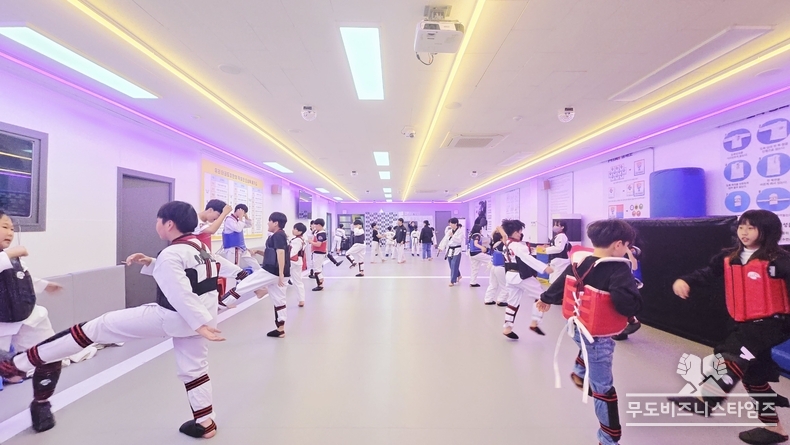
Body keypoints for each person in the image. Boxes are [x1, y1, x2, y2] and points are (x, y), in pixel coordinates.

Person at [0, 201, 247, 438]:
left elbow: (179, 292)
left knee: (96, 327)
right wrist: (152, 263)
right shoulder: (200, 247)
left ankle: (18, 363)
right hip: (199, 320)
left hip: (174, 317)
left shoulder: (171, 253)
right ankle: (205, 422)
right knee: (195, 369)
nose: (156, 224)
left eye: (158, 220)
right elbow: (195, 274)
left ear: (169, 224)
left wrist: (198, 323)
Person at [670, 210, 790, 444]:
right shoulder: (729, 257)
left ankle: (708, 397)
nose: (744, 232)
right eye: (741, 227)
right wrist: (685, 280)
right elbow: (707, 273)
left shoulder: (781, 260)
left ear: (767, 231)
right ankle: (774, 429)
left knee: (733, 353)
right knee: (753, 376)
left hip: (773, 323)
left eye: (751, 228)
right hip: (743, 321)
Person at [536, 218, 642, 445]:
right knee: (603, 388)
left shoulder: (581, 262)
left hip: (576, 325)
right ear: (619, 244)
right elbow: (626, 304)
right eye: (627, 246)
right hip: (598, 334)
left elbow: (562, 283)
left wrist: (545, 299)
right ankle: (608, 438)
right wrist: (635, 296)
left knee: (585, 345)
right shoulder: (618, 268)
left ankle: (579, 370)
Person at [0, 210, 64, 429]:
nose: (10, 232)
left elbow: (22, 278)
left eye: (12, 228)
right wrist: (11, 253)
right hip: (2, 324)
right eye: (4, 227)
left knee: (51, 354)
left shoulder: (12, 258)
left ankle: (41, 404)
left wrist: (46, 285)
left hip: (28, 317)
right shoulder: (8, 255)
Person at [221, 212, 291, 338]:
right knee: (279, 300)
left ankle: (221, 303)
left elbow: (281, 254)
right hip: (280, 273)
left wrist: (280, 273)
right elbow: (274, 254)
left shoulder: (278, 235)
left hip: (272, 272)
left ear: (275, 223)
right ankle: (280, 329)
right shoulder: (278, 236)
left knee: (244, 284)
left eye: (269, 221)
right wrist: (258, 251)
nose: (268, 223)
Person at [495, 220, 552, 338]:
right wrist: (544, 268)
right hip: (521, 276)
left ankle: (507, 328)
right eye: (519, 231)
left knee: (512, 302)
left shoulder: (506, 244)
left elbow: (503, 234)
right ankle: (535, 322)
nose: (521, 234)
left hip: (510, 276)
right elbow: (527, 259)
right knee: (542, 296)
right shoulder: (518, 246)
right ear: (515, 232)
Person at [217, 204, 261, 272]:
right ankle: (234, 278)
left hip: (241, 247)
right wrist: (240, 217)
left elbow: (249, 225)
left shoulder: (237, 220)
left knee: (251, 260)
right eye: (242, 212)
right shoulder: (229, 220)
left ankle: (259, 272)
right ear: (238, 210)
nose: (243, 214)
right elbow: (238, 229)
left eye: (244, 213)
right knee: (234, 266)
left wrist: (246, 217)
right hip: (233, 248)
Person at [308, 218, 341, 291]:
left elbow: (318, 244)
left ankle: (320, 284)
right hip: (316, 252)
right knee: (316, 269)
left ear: (319, 225)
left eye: (315, 225)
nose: (314, 226)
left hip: (319, 253)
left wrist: (310, 242)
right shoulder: (317, 232)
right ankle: (320, 281)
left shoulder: (321, 234)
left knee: (317, 269)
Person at [483, 231, 508, 306]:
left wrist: (496, 230)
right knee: (505, 286)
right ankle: (501, 300)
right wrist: (500, 229)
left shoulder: (493, 245)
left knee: (493, 284)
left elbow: (492, 235)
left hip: (493, 267)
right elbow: (505, 236)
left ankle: (488, 299)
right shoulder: (502, 245)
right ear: (501, 238)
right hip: (500, 267)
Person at [438, 218, 465, 287]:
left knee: (454, 265)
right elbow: (445, 239)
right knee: (451, 265)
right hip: (450, 250)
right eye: (450, 223)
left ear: (455, 224)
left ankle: (452, 281)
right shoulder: (449, 231)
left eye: (451, 223)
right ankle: (459, 275)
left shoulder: (460, 232)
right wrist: (441, 247)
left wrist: (452, 236)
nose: (450, 224)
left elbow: (459, 241)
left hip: (457, 250)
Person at [289, 223, 308, 308]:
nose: (293, 230)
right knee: (298, 281)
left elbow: (293, 252)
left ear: (300, 231)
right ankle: (301, 299)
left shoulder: (297, 240)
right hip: (299, 261)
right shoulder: (303, 239)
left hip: (293, 261)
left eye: (295, 229)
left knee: (282, 278)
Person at [468, 224, 491, 288]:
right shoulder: (477, 235)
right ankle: (494, 280)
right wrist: (482, 247)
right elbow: (475, 244)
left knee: (474, 268)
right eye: (481, 229)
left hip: (472, 254)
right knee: (491, 260)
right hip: (477, 253)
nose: (481, 230)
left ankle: (473, 282)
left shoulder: (472, 235)